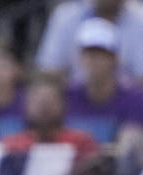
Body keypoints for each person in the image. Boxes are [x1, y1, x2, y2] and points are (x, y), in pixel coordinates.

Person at [64, 17, 143, 146]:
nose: (93, 59)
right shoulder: (66, 96)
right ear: (79, 57)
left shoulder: (136, 99)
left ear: (115, 58)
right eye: (88, 53)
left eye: (101, 53)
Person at [36, 0, 143, 85]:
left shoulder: (139, 17)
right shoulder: (65, 15)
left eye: (101, 54)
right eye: (92, 54)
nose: (96, 60)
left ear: (114, 58)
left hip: (130, 103)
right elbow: (48, 71)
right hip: (72, 101)